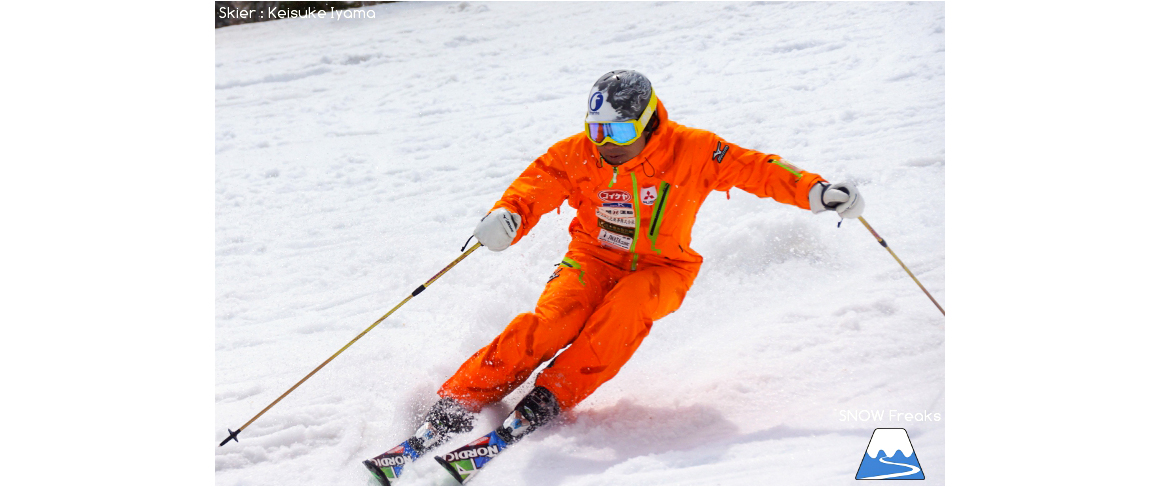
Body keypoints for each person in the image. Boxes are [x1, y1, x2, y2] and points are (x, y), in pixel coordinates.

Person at [364, 70, 863, 484]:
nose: (607, 145)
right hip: (592, 256)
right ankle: (461, 398)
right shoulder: (577, 153)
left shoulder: (692, 150)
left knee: (621, 315)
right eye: (597, 131)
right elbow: (536, 184)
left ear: (649, 124)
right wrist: (508, 215)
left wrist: (818, 191)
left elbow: (758, 170)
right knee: (553, 322)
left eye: (620, 133)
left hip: (663, 266)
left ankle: (551, 395)